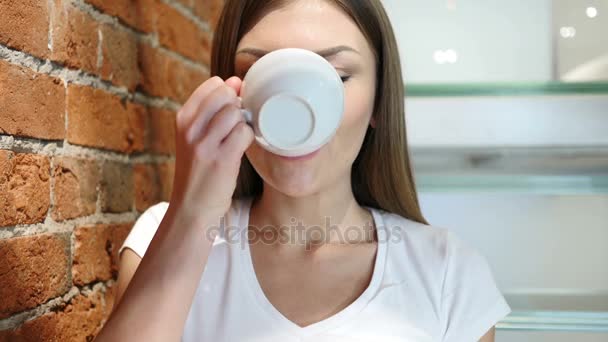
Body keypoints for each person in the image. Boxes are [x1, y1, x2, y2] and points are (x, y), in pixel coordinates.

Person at [94, 0, 511, 341]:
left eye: (336, 75)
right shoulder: (161, 238)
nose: (292, 104)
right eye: (259, 73)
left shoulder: (447, 274)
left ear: (378, 102)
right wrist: (193, 213)